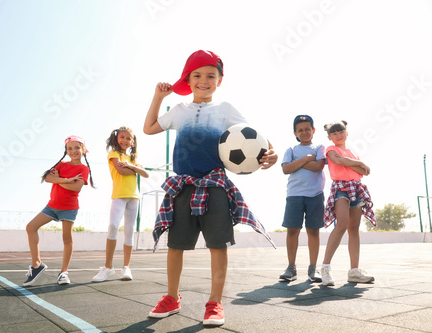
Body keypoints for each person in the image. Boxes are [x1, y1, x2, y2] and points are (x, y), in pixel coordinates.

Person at [143, 50, 277, 326]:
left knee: (218, 245)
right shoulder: (179, 110)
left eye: (210, 76)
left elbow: (256, 137)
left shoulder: (226, 110)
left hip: (215, 186)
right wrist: (159, 97)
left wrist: (271, 154)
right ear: (188, 80)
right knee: (176, 245)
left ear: (219, 80)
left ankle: (214, 303)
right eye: (197, 76)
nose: (204, 81)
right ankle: (172, 297)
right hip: (182, 187)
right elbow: (149, 128)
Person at [23, 135, 94, 287]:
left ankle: (63, 272)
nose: (73, 151)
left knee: (66, 239)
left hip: (69, 208)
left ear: (84, 149)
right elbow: (48, 178)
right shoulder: (61, 165)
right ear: (66, 151)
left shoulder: (83, 168)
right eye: (70, 148)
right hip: (52, 206)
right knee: (31, 227)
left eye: (77, 148)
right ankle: (37, 265)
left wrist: (59, 180)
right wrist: (66, 180)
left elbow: (76, 187)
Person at [320, 120, 376, 286]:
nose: (338, 135)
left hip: (356, 188)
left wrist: (356, 164)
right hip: (341, 189)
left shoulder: (351, 152)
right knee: (341, 225)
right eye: (334, 133)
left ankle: (354, 270)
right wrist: (358, 163)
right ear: (330, 137)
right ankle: (325, 267)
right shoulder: (330, 149)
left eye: (340, 131)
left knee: (354, 229)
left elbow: (365, 171)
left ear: (346, 132)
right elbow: (340, 162)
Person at [92, 126, 149, 282]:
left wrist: (131, 166)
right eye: (122, 137)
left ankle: (126, 268)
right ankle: (108, 267)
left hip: (134, 197)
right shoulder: (113, 154)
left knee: (129, 231)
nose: (125, 140)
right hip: (119, 195)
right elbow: (121, 171)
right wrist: (136, 169)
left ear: (132, 141)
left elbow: (146, 174)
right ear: (117, 138)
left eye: (128, 138)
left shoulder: (132, 159)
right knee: (113, 227)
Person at [279, 115, 325, 283]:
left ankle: (313, 268)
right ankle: (291, 267)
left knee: (313, 231)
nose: (304, 132)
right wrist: (306, 159)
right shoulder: (290, 150)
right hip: (294, 195)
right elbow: (286, 169)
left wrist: (296, 163)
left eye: (307, 129)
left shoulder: (319, 147)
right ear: (295, 133)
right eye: (300, 130)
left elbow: (318, 166)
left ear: (313, 130)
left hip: (315, 195)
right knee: (292, 231)